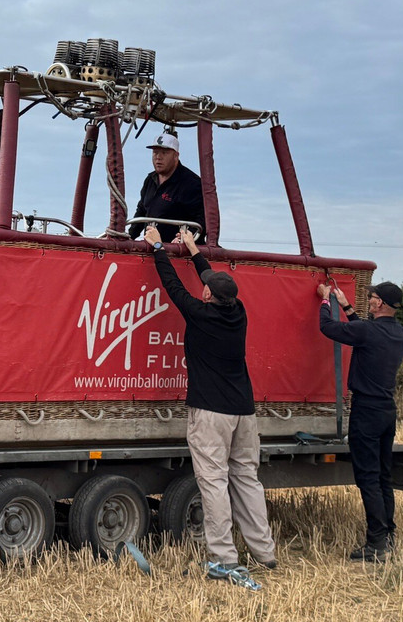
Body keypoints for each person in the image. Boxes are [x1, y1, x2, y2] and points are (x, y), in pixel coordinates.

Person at [145, 224, 276, 591]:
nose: (202, 286)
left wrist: (158, 248)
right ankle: (264, 551)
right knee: (247, 479)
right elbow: (209, 279)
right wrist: (193, 248)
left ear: (207, 296)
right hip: (244, 412)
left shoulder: (201, 316)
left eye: (205, 287)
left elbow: (172, 285)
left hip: (211, 413)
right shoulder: (238, 312)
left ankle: (224, 557)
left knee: (215, 482)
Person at [316, 280, 403, 563]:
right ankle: (388, 535)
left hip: (366, 411)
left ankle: (376, 544)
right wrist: (346, 306)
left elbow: (329, 329)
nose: (368, 300)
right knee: (383, 476)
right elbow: (365, 334)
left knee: (368, 478)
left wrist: (324, 302)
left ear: (380, 303)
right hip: (386, 411)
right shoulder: (401, 334)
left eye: (371, 298)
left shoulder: (368, 331)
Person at [128, 132, 206, 243]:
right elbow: (142, 211)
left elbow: (202, 220)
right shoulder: (150, 180)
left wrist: (184, 238)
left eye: (164, 153)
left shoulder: (192, 184)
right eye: (155, 152)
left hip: (180, 254)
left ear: (176, 156)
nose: (158, 157)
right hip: (152, 248)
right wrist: (129, 237)